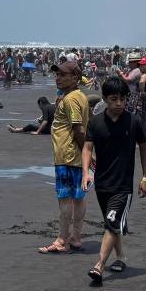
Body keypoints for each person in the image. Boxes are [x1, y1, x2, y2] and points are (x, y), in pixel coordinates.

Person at [82, 76, 146, 282]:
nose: (119, 103)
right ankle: (120, 257)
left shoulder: (134, 121)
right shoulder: (95, 122)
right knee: (112, 224)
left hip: (123, 186)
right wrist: (86, 172)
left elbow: (145, 149)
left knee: (112, 223)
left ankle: (99, 265)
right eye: (114, 99)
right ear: (104, 99)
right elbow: (87, 147)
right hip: (102, 183)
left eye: (123, 99)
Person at [38, 61, 90, 255]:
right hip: (75, 156)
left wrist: (86, 152)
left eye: (62, 75)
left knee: (65, 199)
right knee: (78, 198)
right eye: (57, 74)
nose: (57, 78)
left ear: (75, 78)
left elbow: (78, 129)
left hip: (68, 156)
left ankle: (62, 240)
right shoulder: (78, 96)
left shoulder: (70, 99)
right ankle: (76, 237)